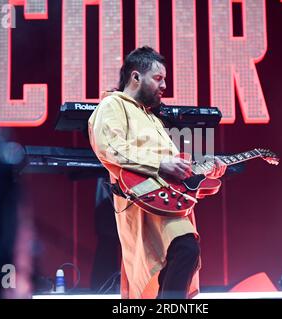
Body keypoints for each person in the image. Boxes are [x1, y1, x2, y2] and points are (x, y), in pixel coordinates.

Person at [88, 46, 226, 299]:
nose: (164, 86)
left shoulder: (152, 118)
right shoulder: (112, 104)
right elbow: (110, 147)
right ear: (136, 77)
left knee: (182, 253)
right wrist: (159, 164)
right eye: (158, 78)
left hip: (167, 200)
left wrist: (206, 169)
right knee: (184, 249)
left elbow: (177, 168)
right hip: (141, 200)